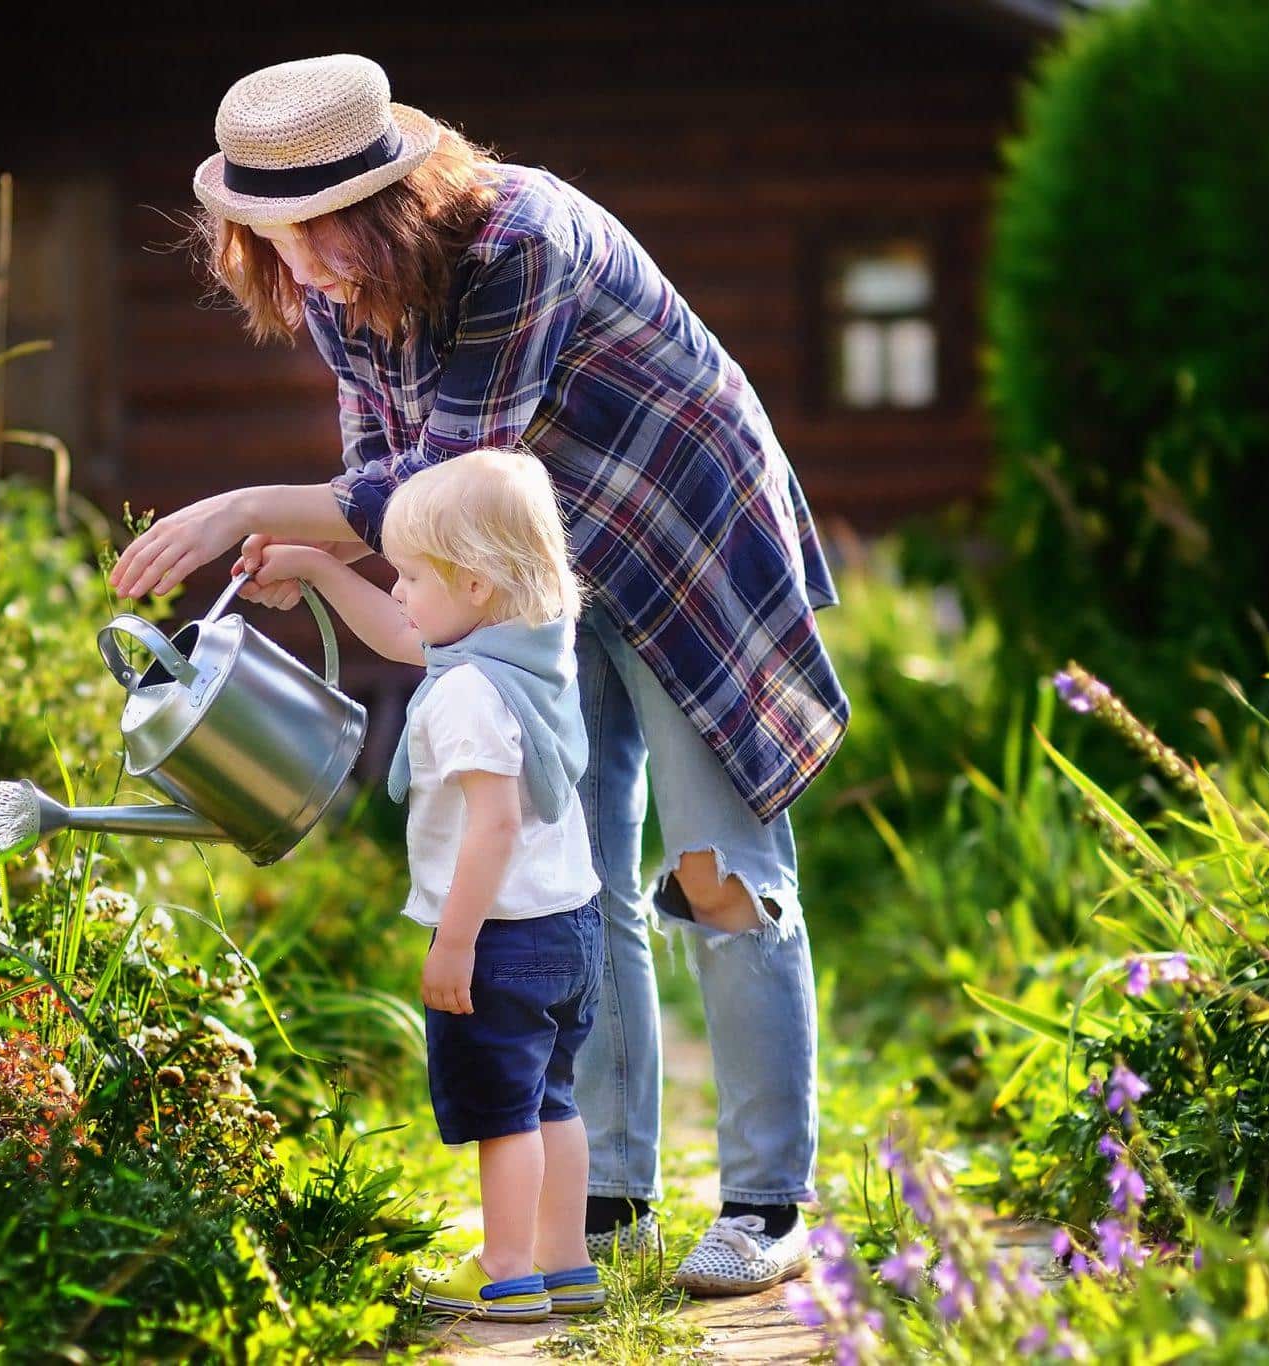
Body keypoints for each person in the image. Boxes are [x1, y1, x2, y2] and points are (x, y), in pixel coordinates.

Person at [109, 53, 850, 1294]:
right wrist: (318, 555)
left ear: (392, 198)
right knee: (573, 870)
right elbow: (395, 501)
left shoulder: (522, 239)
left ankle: (768, 1204)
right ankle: (607, 1199)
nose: (306, 265)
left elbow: (442, 472)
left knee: (719, 871)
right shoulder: (341, 292)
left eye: (324, 229)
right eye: (273, 236)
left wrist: (245, 501)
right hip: (533, 569)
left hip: (677, 531)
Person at [251, 449, 604, 1321]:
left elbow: (493, 825)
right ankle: (566, 1264)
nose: (399, 592)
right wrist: (318, 567)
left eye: (410, 575)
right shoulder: (535, 649)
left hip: (498, 938)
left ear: (477, 585)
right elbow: (411, 635)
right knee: (553, 1101)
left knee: (502, 1117)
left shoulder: (465, 695)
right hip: (571, 927)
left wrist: (454, 941)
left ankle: (507, 1272)